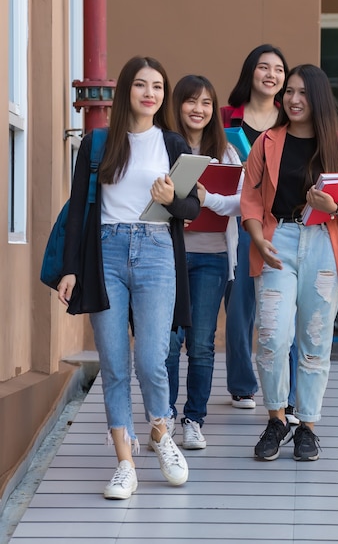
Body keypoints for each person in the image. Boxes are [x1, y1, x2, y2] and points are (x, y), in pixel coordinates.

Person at [57, 56, 200, 499]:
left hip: (157, 251)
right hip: (105, 252)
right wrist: (70, 268)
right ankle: (124, 461)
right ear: (126, 92)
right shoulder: (98, 145)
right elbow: (78, 209)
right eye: (141, 85)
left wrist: (173, 198)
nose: (150, 93)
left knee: (152, 359)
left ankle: (160, 430)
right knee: (115, 364)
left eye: (158, 86)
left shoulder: (173, 143)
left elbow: (192, 209)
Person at [240, 64, 338, 461]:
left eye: (302, 93)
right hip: (277, 240)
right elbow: (249, 195)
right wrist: (258, 237)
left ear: (317, 98)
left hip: (323, 243)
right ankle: (277, 418)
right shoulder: (267, 141)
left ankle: (308, 427)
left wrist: (334, 205)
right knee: (271, 337)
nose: (294, 100)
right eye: (290, 92)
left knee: (315, 341)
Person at [166, 74, 243, 449]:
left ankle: (193, 419)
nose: (199, 109)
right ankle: (161, 419)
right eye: (191, 101)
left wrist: (206, 197)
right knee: (167, 342)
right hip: (169, 254)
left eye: (206, 103)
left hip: (212, 257)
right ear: (177, 105)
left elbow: (242, 203)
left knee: (200, 343)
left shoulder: (226, 152)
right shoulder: (162, 146)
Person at [221, 43, 298, 411]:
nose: (272, 75)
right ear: (250, 72)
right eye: (264, 67)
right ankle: (241, 384)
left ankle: (291, 391)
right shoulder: (224, 119)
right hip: (237, 216)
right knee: (240, 305)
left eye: (279, 70)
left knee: (285, 308)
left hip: (281, 221)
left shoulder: (293, 120)